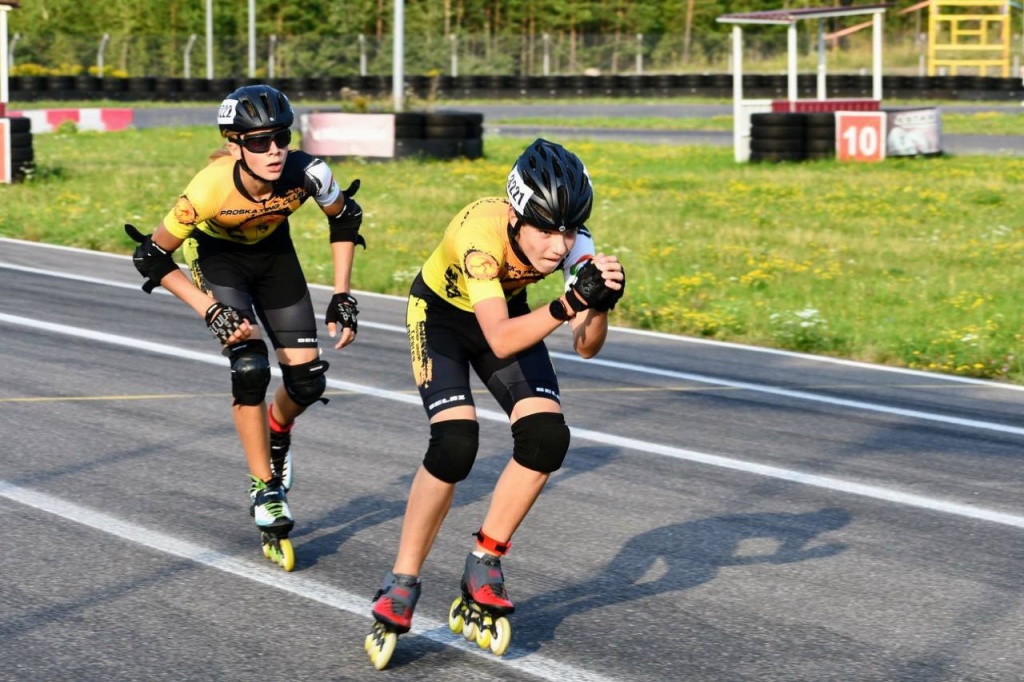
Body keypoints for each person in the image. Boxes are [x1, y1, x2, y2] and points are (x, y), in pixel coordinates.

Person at [365, 138, 625, 667]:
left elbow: (587, 346)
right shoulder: (480, 234)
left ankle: (485, 561)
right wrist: (571, 299)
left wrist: (600, 305)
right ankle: (402, 579)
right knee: (456, 442)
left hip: (505, 313)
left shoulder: (576, 246)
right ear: (515, 214)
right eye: (547, 229)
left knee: (547, 436)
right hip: (441, 318)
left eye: (570, 229)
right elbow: (503, 340)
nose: (559, 245)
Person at [124, 84, 365, 571]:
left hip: (275, 258)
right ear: (234, 145)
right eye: (258, 142)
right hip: (220, 263)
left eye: (281, 137)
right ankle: (265, 487)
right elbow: (149, 254)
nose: (273, 149)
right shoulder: (208, 190)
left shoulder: (308, 171)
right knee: (251, 367)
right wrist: (207, 308)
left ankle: (278, 429)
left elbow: (346, 218)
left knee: (308, 380)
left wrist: (342, 293)